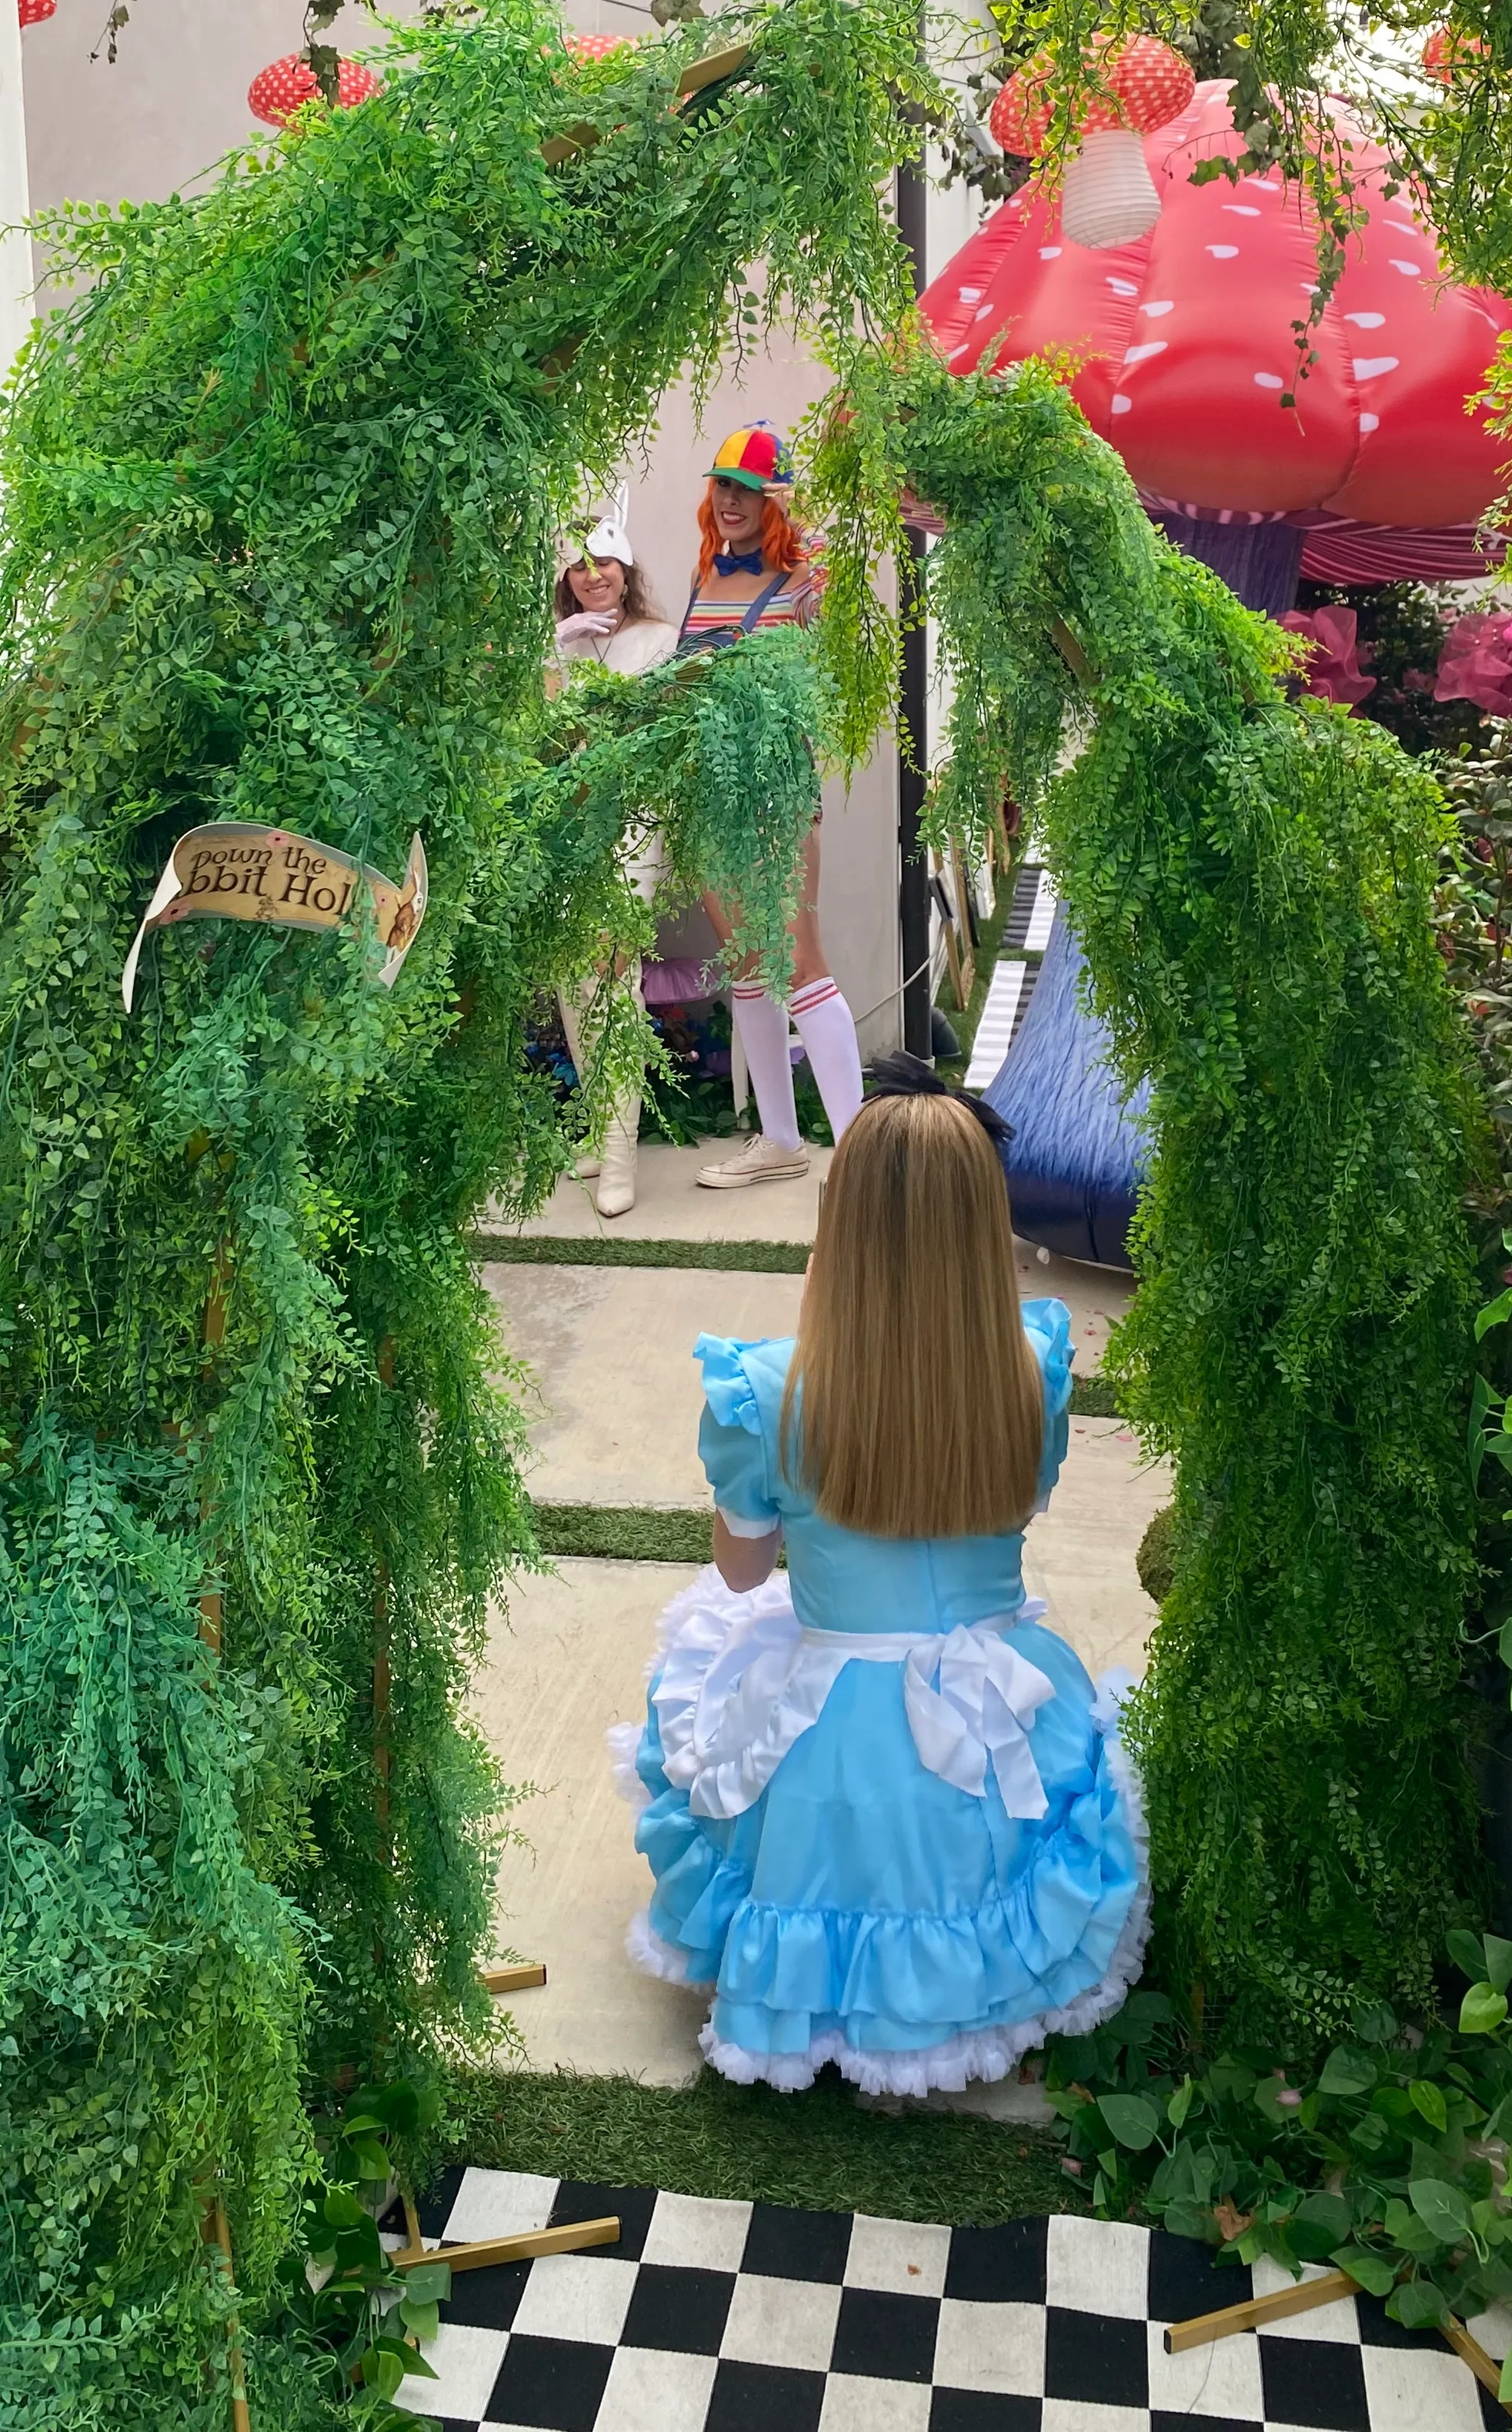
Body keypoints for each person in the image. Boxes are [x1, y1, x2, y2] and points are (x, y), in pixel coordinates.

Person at [609, 1063, 1148, 2093]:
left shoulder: (764, 1389)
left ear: (841, 1218)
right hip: (993, 1721)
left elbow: (739, 1572)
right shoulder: (1031, 1370)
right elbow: (1019, 1512)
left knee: (709, 1645)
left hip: (830, 1742)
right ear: (984, 1224)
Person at [679, 424, 865, 1189]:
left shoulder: (804, 581)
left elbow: (840, 670)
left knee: (799, 962)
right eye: (723, 486)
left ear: (774, 500)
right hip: (707, 801)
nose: (731, 501)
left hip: (776, 796)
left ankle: (860, 1156)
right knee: (747, 965)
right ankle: (781, 1141)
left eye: (749, 490)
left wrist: (821, 548)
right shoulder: (704, 581)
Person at [551, 489, 677, 1218]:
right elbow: (537, 733)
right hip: (570, 822)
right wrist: (558, 655)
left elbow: (653, 743)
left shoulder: (658, 641)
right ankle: (604, 1124)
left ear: (627, 570)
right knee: (573, 973)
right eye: (579, 564)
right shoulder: (568, 643)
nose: (593, 574)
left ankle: (623, 1155)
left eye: (605, 561)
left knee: (611, 965)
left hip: (631, 823)